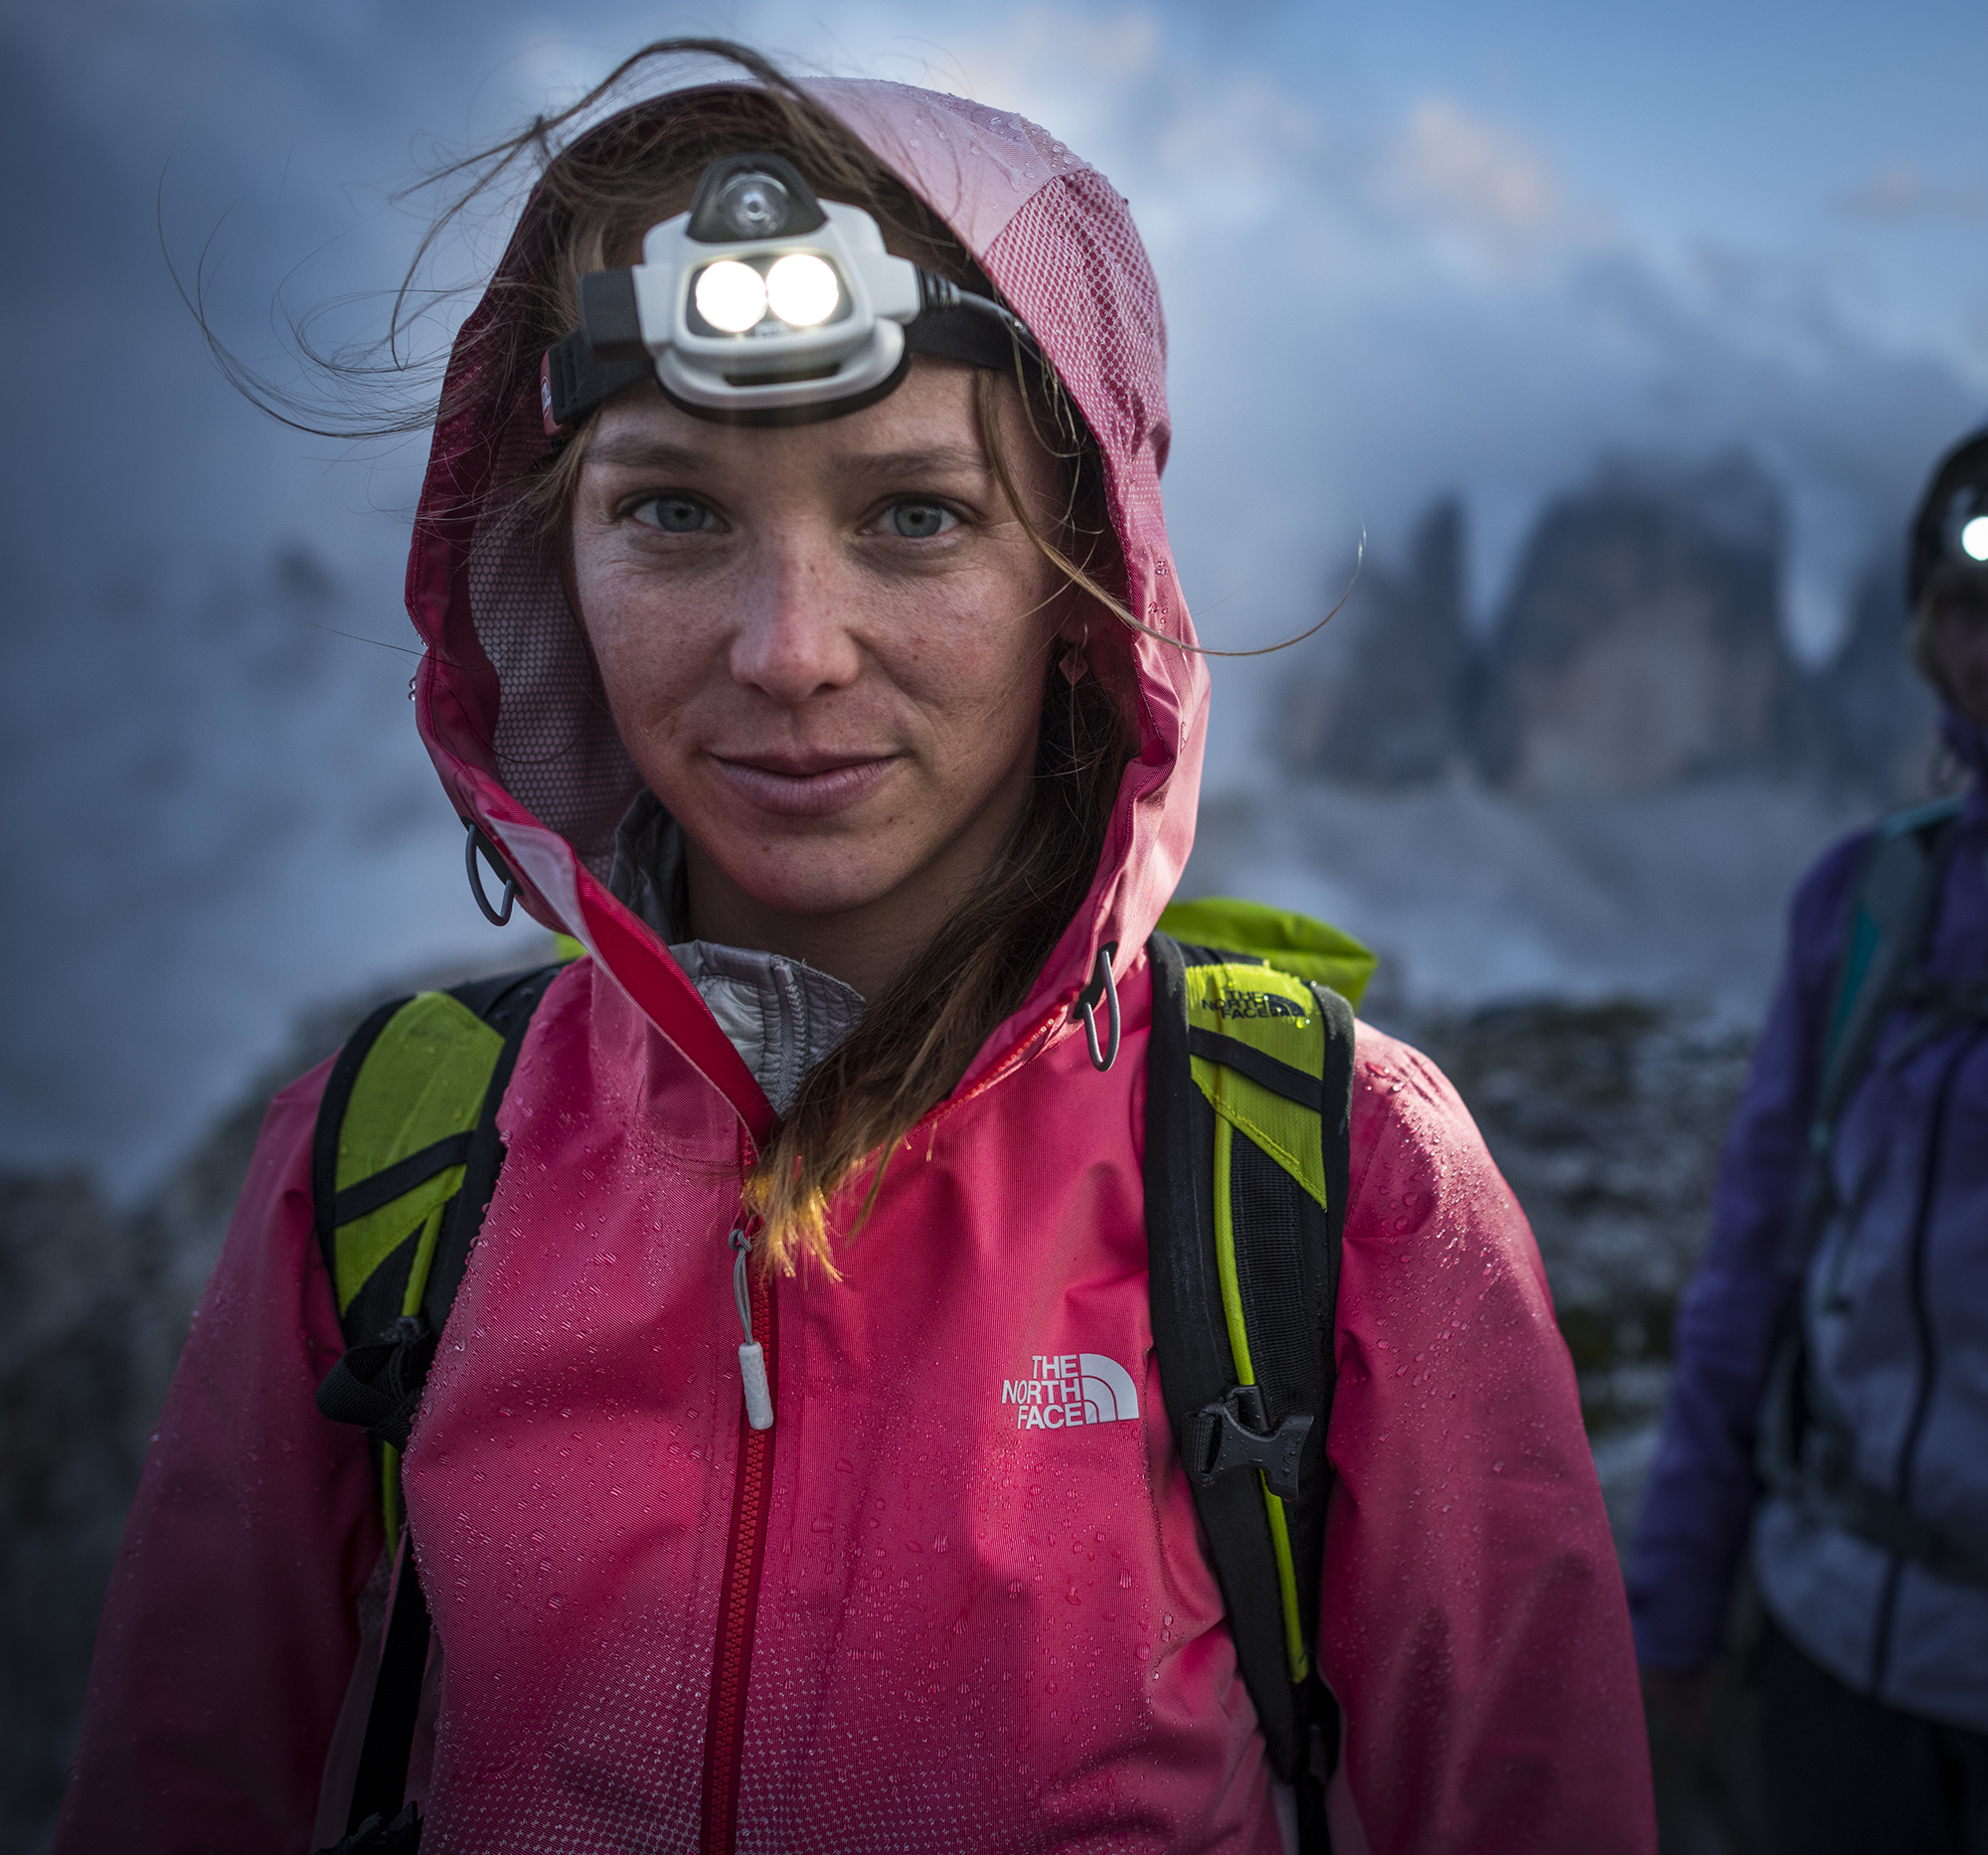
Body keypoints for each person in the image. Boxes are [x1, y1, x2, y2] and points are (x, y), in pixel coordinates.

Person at [57, 44, 1653, 1854]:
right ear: (551, 560)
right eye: (673, 510)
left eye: (915, 515)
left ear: (1085, 580)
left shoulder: (1342, 1179)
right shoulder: (383, 1165)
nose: (790, 648)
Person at [1631, 428, 1988, 1851]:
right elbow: (1752, 1268)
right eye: (1969, 611)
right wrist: (1673, 1601)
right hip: (1836, 1658)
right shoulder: (1865, 901)